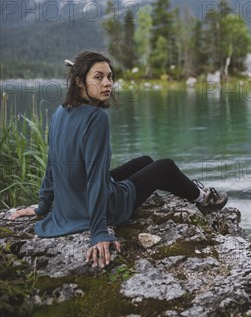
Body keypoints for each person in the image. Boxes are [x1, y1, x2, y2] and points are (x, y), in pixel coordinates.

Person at [9, 51, 228, 268]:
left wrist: (42, 206)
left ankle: (191, 192)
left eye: (110, 76)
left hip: (70, 205)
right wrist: (99, 232)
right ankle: (204, 199)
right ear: (79, 82)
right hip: (104, 207)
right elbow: (95, 178)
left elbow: (52, 165)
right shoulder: (97, 118)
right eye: (98, 77)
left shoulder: (60, 112)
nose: (107, 83)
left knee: (144, 161)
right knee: (165, 167)